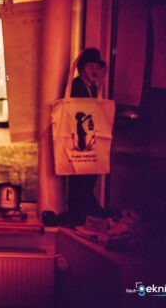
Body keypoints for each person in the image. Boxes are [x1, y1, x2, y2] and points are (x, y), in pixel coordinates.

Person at [65, 47, 106, 226]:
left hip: (87, 139)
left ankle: (85, 214)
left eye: (96, 67)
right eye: (90, 67)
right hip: (79, 139)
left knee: (88, 177)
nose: (94, 71)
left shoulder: (93, 87)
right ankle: (85, 213)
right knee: (81, 178)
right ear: (81, 69)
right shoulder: (76, 85)